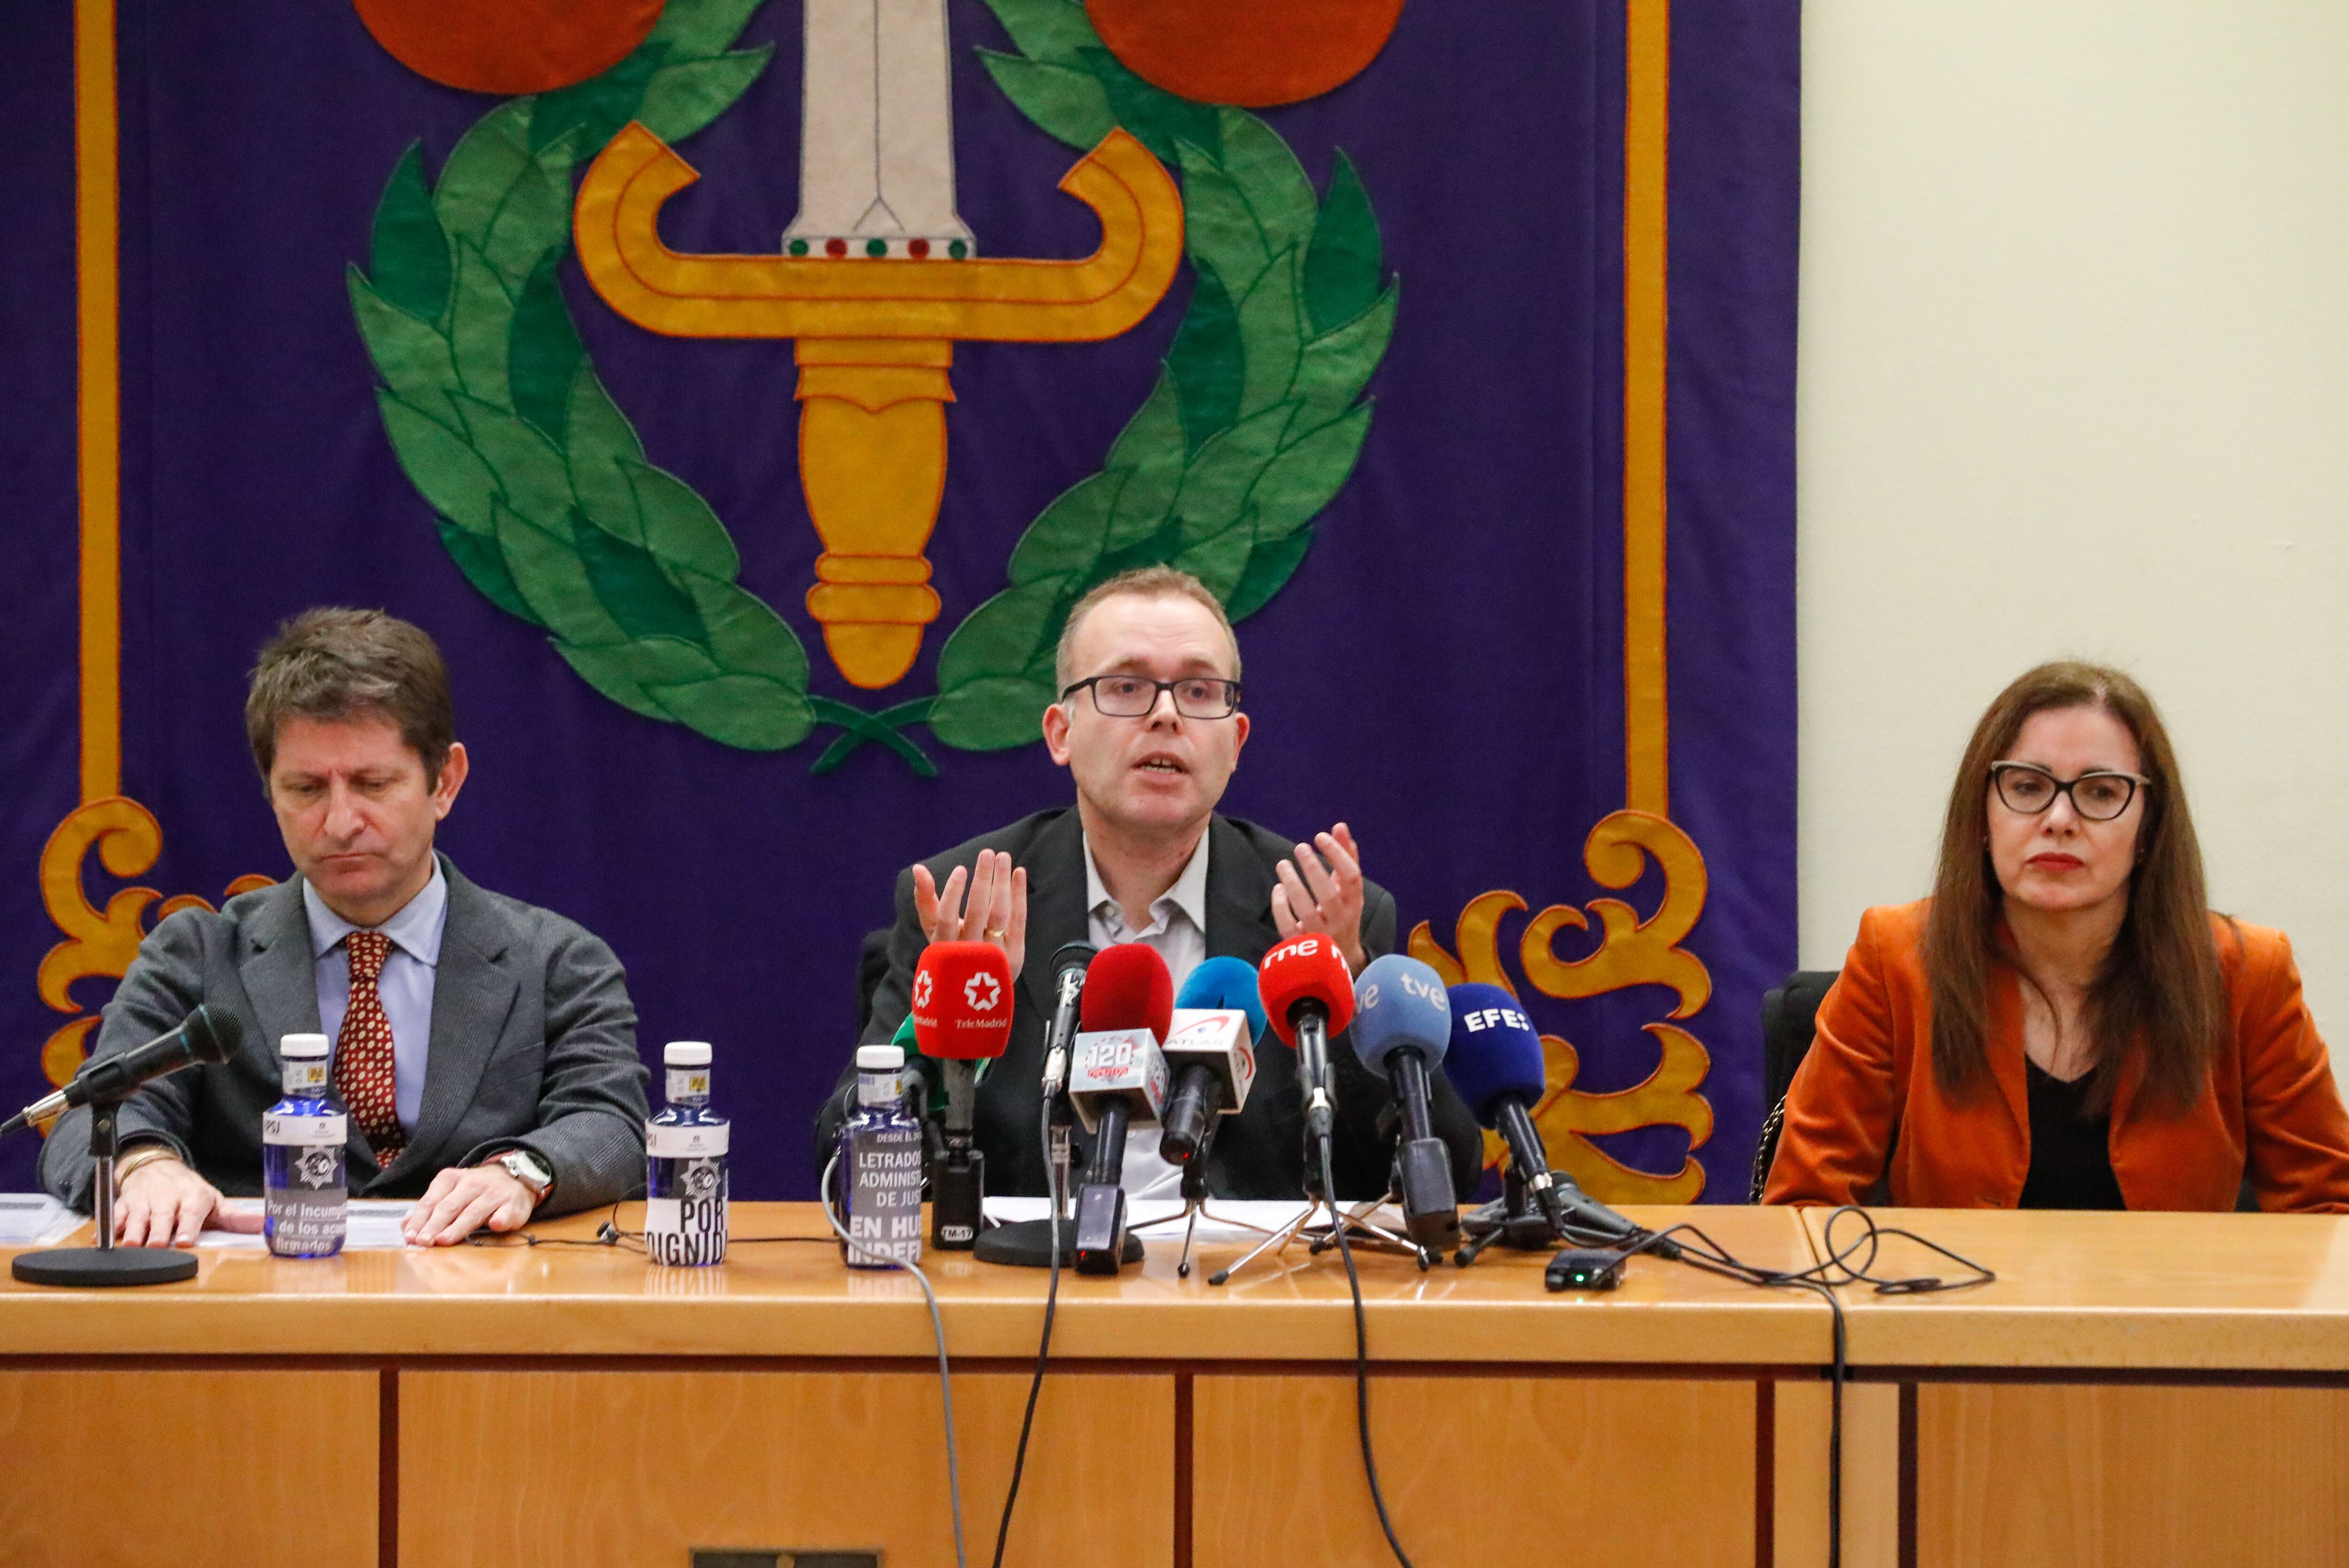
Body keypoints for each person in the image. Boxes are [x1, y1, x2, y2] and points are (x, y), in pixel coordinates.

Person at [816, 567, 1483, 1202]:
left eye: (1198, 692)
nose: (1166, 715)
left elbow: (1445, 1174)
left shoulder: (1321, 917)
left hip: (1246, 1299)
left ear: (1237, 740)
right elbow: (842, 1159)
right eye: (1127, 687)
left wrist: (1347, 998)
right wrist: (946, 1033)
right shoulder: (962, 902)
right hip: (1022, 1296)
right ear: (1061, 732)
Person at [40, 609, 649, 1246]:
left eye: (372, 783)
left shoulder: (556, 962)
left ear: (445, 781)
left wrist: (521, 1171)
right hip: (260, 1312)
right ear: (270, 792)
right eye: (305, 788)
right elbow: (93, 1119)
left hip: (483, 1305)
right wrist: (143, 1165)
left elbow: (611, 1124)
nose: (339, 822)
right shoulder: (196, 954)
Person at [1766, 660, 2349, 1211]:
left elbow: (2330, 1211)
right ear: (1983, 816)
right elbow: (1804, 1204)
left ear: (2147, 826)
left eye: (2100, 792)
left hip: (2172, 1316)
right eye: (2026, 787)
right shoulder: (1894, 957)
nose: (2059, 819)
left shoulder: (2248, 973)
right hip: (1951, 1315)